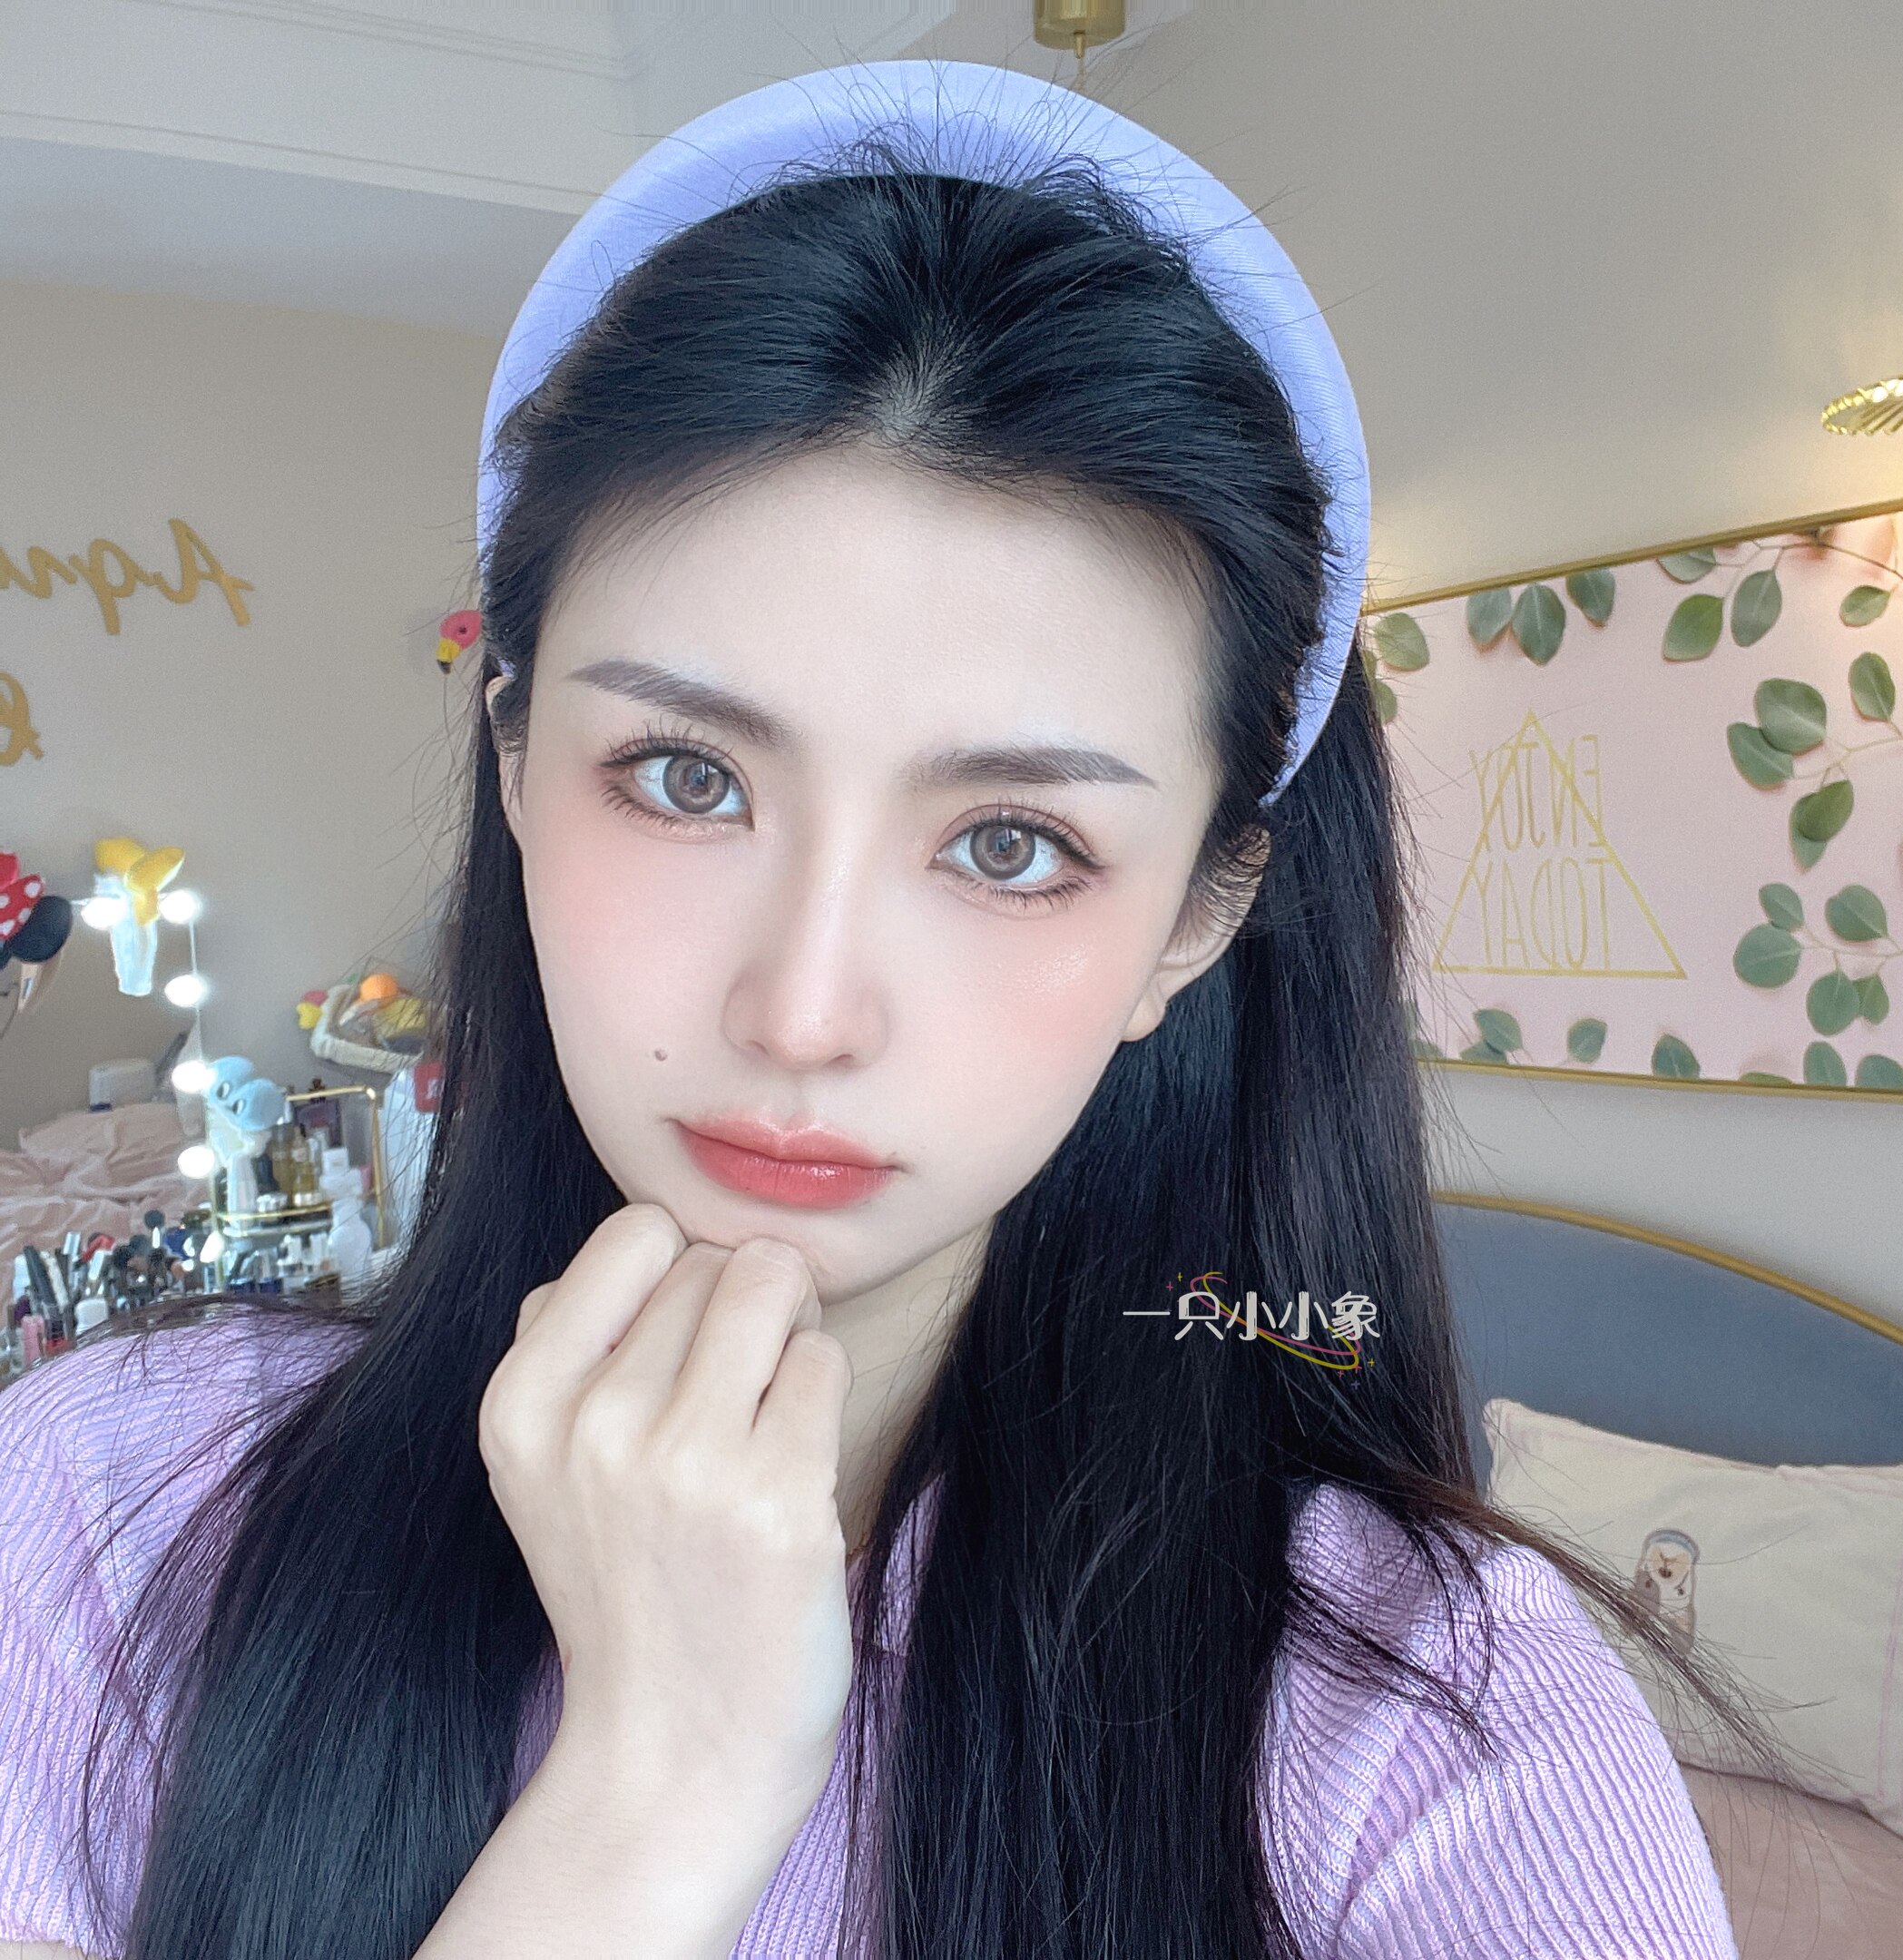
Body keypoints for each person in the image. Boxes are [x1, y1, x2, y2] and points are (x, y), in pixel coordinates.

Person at [0, 60, 1772, 1960]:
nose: (804, 1010)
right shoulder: (107, 1507)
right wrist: (655, 1798)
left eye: (1011, 845)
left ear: (1193, 920)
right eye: (686, 777)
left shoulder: (1433, 1732)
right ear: (514, 760)